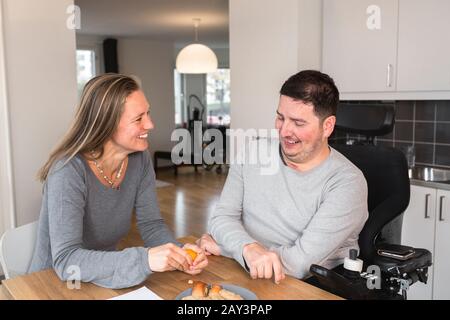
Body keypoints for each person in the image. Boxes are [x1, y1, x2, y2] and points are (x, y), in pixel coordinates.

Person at [28, 73, 208, 289]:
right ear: (106, 124)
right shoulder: (67, 171)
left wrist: (179, 253)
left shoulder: (139, 160)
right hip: (52, 284)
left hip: (104, 277)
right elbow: (67, 260)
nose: (150, 124)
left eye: (148, 113)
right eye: (138, 118)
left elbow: (151, 226)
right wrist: (145, 259)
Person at [197, 70, 368, 284]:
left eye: (298, 123)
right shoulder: (252, 152)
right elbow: (222, 218)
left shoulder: (347, 183)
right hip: (247, 271)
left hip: (309, 285)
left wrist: (227, 248)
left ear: (327, 126)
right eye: (280, 117)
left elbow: (299, 264)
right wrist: (247, 249)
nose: (284, 131)